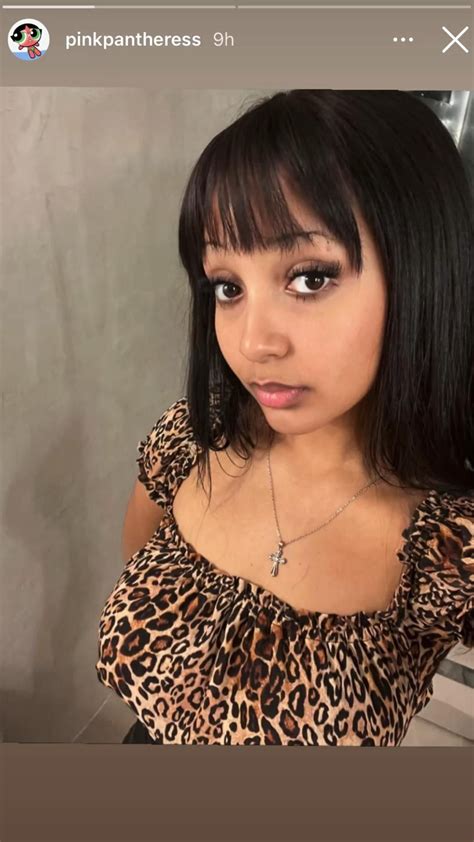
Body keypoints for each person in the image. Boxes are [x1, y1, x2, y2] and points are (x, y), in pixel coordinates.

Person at [96, 90, 473, 746]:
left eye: (308, 278)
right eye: (227, 287)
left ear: (423, 270)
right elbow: (138, 563)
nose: (252, 343)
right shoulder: (189, 440)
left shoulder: (452, 545)